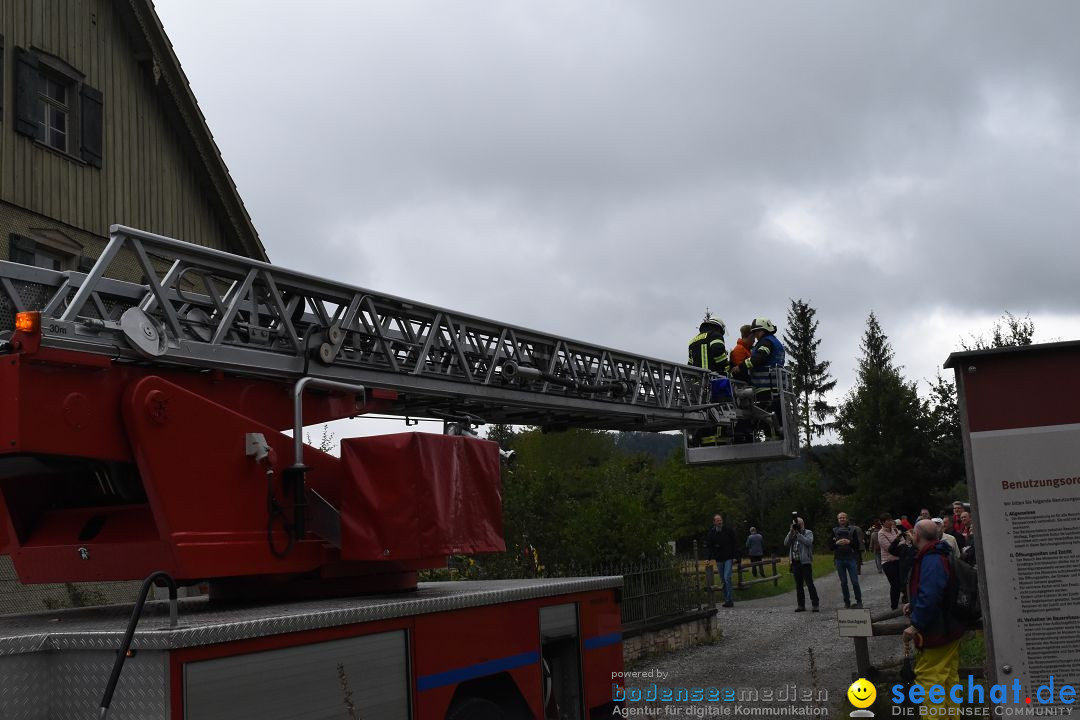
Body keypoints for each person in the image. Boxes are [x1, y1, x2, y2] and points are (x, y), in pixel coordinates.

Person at [903, 519, 967, 712]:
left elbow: (931, 595)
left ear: (917, 536)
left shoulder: (931, 558)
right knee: (948, 680)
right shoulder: (941, 553)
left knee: (930, 681)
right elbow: (935, 590)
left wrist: (915, 625)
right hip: (950, 627)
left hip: (936, 631)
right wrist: (913, 604)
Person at [741, 318, 786, 438]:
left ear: (764, 330)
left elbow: (758, 358)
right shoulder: (775, 342)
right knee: (775, 418)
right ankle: (776, 436)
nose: (755, 335)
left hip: (765, 388)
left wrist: (740, 367)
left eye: (757, 331)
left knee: (765, 418)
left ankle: (771, 438)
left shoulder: (766, 342)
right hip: (774, 388)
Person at [784, 515, 819, 612]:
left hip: (805, 562)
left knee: (809, 584)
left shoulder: (808, 532)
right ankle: (801, 605)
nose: (796, 526)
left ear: (802, 524)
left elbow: (809, 542)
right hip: (795, 562)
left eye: (798, 524)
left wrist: (799, 534)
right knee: (798, 585)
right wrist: (791, 532)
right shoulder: (792, 533)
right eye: (795, 524)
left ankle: (815, 604)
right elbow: (785, 543)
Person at [829, 511, 863, 608]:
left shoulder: (853, 530)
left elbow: (857, 545)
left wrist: (849, 542)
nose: (842, 519)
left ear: (847, 519)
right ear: (838, 520)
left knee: (855, 582)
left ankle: (859, 601)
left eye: (843, 517)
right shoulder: (834, 530)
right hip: (839, 559)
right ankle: (847, 602)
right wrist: (837, 543)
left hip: (851, 558)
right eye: (840, 518)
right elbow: (830, 546)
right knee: (843, 583)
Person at [706, 513, 738, 608]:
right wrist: (709, 558)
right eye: (718, 520)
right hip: (719, 558)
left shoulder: (728, 530)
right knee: (723, 580)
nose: (720, 522)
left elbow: (734, 543)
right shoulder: (712, 533)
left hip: (728, 557)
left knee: (727, 577)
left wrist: (735, 556)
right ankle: (726, 599)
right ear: (714, 522)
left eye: (720, 520)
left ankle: (730, 599)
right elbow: (710, 546)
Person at [878, 514, 904, 610]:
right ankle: (894, 607)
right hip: (888, 562)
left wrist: (897, 544)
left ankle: (905, 602)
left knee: (903, 582)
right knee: (895, 584)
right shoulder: (881, 534)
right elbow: (888, 548)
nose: (890, 522)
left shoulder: (895, 530)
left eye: (891, 520)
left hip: (898, 560)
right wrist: (897, 543)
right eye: (888, 520)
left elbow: (903, 541)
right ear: (883, 522)